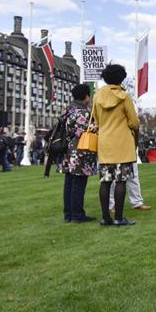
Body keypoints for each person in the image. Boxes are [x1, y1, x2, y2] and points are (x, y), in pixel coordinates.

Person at [91, 63, 140, 227]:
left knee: (105, 181)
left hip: (105, 142)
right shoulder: (124, 97)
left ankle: (105, 218)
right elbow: (134, 122)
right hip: (122, 142)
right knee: (121, 181)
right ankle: (119, 217)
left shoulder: (97, 97)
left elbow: (96, 120)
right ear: (121, 79)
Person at [59, 84, 98, 223]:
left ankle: (68, 214)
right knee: (79, 184)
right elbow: (85, 131)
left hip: (68, 151)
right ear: (86, 96)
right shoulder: (83, 112)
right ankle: (77, 215)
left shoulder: (67, 110)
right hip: (80, 152)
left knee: (69, 183)